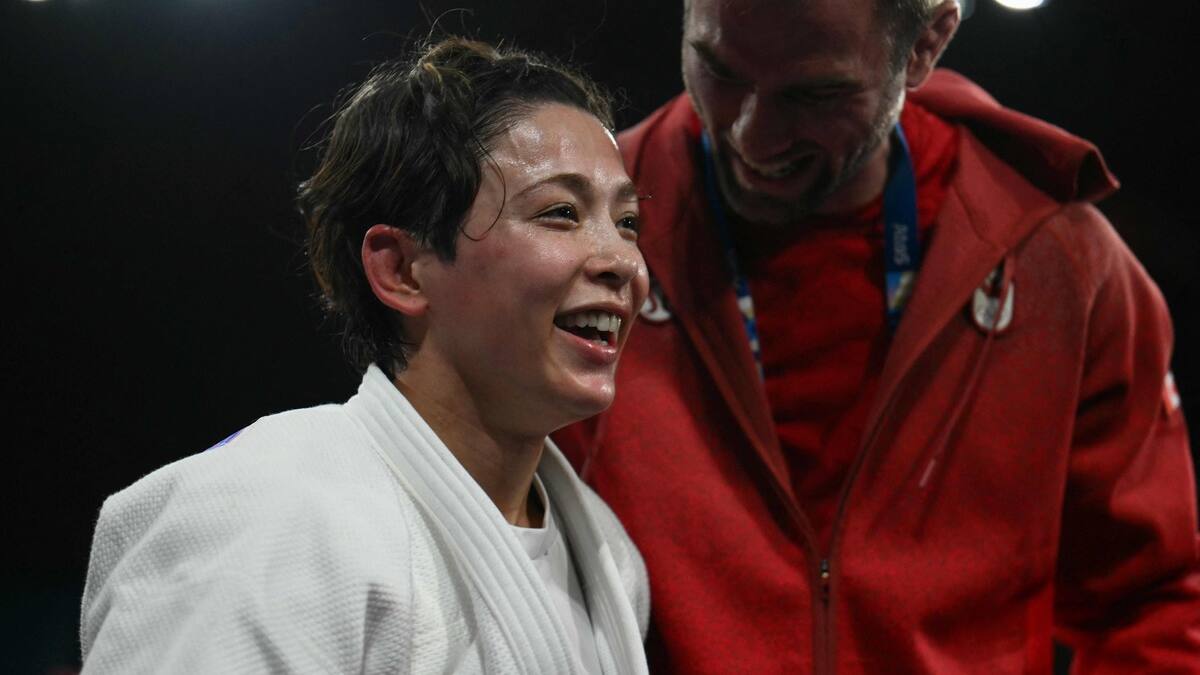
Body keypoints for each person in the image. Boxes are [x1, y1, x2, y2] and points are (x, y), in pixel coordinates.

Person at [554, 0, 1200, 671]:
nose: (751, 133)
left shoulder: (1058, 266)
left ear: (926, 42)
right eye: (717, 69)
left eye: (815, 93)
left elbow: (1149, 606)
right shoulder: (571, 252)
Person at [79, 37, 651, 674]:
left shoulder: (609, 560)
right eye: (561, 213)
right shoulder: (270, 520)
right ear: (402, 269)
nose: (624, 262)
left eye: (627, 222)